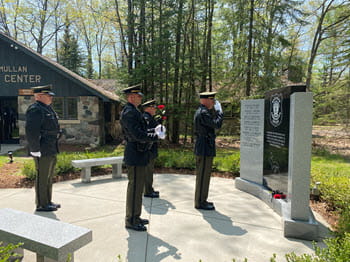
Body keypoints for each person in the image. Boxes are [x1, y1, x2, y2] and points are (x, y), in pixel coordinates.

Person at [120, 85, 166, 231]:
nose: (141, 98)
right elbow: (137, 135)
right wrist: (155, 136)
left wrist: (154, 130)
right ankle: (131, 220)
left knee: (138, 188)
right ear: (131, 97)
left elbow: (142, 130)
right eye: (138, 96)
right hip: (135, 153)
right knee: (134, 188)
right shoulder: (129, 112)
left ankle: (136, 216)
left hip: (139, 153)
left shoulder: (135, 111)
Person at [25, 85, 61, 212]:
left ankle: (48, 201)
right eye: (48, 95)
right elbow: (31, 131)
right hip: (42, 148)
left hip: (50, 147)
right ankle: (41, 204)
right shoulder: (35, 109)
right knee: (42, 176)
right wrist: (35, 149)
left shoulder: (46, 108)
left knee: (49, 176)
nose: (51, 97)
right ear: (38, 96)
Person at [194, 91, 223, 210]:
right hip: (204, 147)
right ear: (204, 100)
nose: (213, 102)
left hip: (205, 145)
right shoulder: (203, 113)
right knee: (203, 176)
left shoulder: (203, 112)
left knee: (204, 176)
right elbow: (216, 124)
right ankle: (200, 202)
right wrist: (220, 113)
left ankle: (202, 200)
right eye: (212, 100)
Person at [142, 100, 160, 198]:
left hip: (151, 148)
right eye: (153, 107)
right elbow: (147, 132)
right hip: (148, 148)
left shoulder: (150, 118)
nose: (155, 109)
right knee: (148, 171)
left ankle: (149, 188)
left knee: (150, 170)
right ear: (148, 108)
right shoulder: (146, 118)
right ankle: (147, 191)